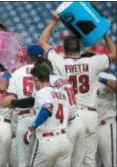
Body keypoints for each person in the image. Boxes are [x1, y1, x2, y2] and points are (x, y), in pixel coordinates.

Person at [39, 12, 116, 167]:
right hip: (90, 115)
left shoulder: (59, 62)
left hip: (71, 115)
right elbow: (114, 54)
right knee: (89, 159)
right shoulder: (92, 62)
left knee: (69, 158)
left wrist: (54, 22)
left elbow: (42, 41)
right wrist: (105, 34)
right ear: (79, 49)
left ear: (64, 50)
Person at [2, 45, 44, 167]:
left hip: (25, 118)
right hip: (44, 119)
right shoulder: (47, 72)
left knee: (23, 162)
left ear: (28, 57)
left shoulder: (17, 73)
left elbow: (11, 99)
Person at [23, 64, 71, 167]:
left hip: (48, 141)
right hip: (64, 140)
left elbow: (47, 108)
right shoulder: (62, 93)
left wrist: (31, 128)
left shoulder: (42, 92)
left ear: (36, 78)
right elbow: (71, 115)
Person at [96, 72, 116, 167]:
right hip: (91, 127)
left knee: (110, 163)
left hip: (106, 125)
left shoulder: (106, 76)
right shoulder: (83, 76)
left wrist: (100, 79)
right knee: (92, 163)